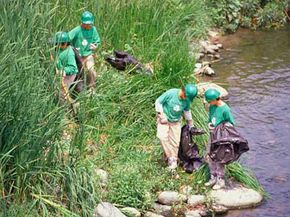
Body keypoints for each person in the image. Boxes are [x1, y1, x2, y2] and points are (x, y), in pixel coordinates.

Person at [155, 84, 198, 171]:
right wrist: (161, 115)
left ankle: (173, 161)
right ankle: (170, 157)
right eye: (186, 97)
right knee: (162, 137)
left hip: (176, 122)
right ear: (183, 91)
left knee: (175, 142)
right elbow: (158, 102)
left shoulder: (187, 101)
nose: (186, 99)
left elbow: (187, 112)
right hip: (164, 120)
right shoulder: (171, 93)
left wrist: (191, 126)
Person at [204, 88, 235, 190]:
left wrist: (220, 128)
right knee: (210, 155)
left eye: (209, 101)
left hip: (221, 137)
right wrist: (210, 124)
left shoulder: (225, 109)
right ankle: (213, 176)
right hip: (212, 135)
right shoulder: (212, 106)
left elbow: (231, 123)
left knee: (219, 157)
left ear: (216, 99)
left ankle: (220, 180)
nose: (208, 103)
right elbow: (210, 118)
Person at [69, 11, 101, 90]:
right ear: (82, 22)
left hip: (88, 55)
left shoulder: (93, 30)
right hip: (78, 56)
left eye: (89, 24)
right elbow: (68, 37)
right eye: (86, 24)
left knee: (91, 70)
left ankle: (91, 88)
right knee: (78, 73)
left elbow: (97, 41)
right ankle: (75, 88)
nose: (88, 25)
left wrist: (95, 46)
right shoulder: (77, 30)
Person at [54, 31, 78, 102]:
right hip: (59, 71)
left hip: (69, 75)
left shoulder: (69, 54)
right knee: (55, 89)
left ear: (64, 44)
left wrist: (62, 71)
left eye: (58, 44)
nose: (56, 45)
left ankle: (65, 107)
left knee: (62, 92)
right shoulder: (59, 48)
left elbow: (72, 68)